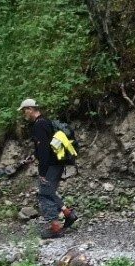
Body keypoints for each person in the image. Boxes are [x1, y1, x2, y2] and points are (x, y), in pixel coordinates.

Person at [18, 98, 77, 239]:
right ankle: (68, 214)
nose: (24, 114)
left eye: (24, 110)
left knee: (44, 194)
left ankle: (55, 228)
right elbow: (46, 146)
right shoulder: (46, 121)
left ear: (30, 109)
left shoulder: (39, 125)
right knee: (49, 191)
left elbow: (44, 150)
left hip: (50, 164)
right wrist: (33, 156)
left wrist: (42, 172)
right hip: (57, 162)